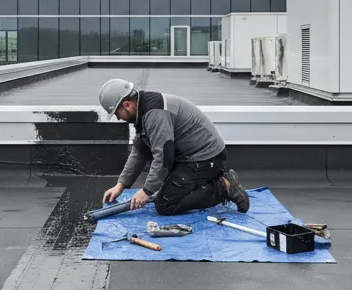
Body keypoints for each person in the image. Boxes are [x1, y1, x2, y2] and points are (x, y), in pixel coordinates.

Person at [99, 78, 250, 216]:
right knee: (164, 191)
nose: (118, 118)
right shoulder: (142, 111)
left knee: (165, 204)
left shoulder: (154, 113)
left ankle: (223, 186)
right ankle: (208, 182)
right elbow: (140, 152)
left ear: (127, 104)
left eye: (117, 113)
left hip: (206, 158)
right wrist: (121, 185)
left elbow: (164, 156)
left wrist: (146, 191)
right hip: (189, 156)